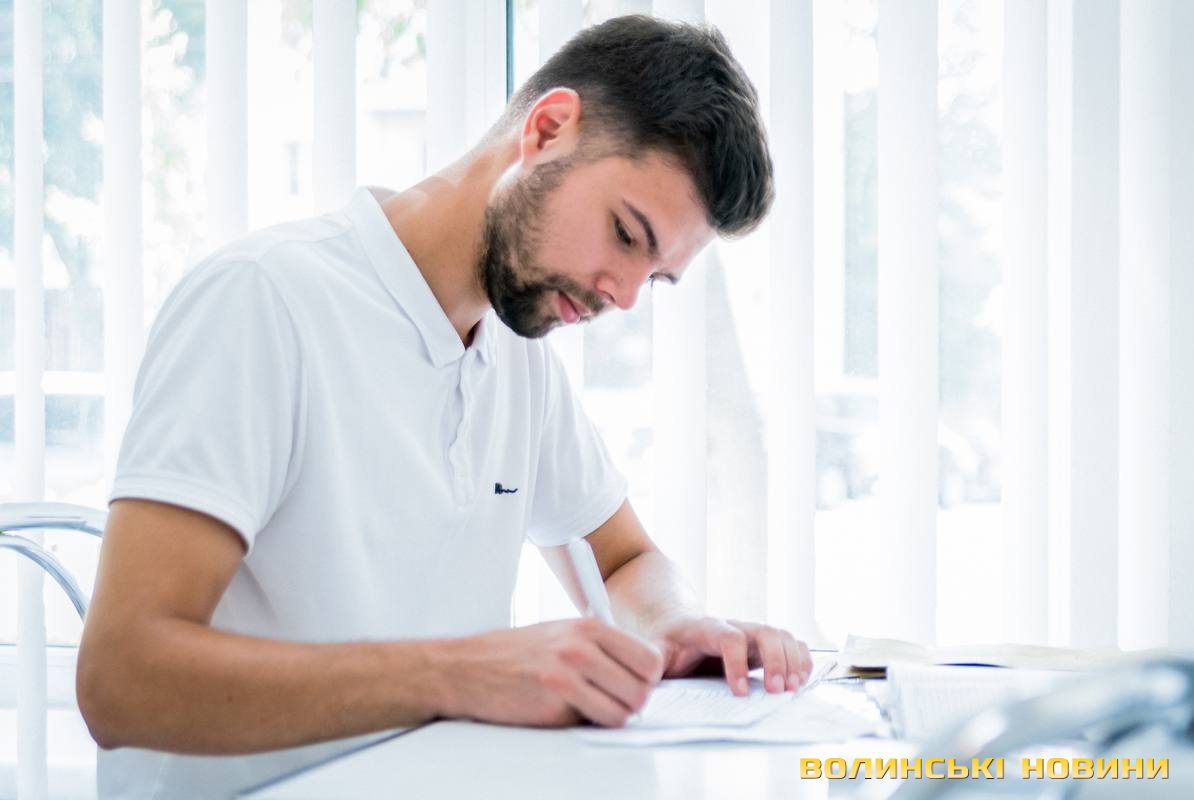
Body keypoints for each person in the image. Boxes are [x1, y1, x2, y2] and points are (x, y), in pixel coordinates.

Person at [76, 14, 811, 799]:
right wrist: (462, 673)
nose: (624, 296)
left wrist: (671, 623)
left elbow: (624, 560)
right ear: (549, 129)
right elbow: (122, 679)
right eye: (626, 235)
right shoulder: (263, 301)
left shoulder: (517, 359)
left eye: (656, 277)